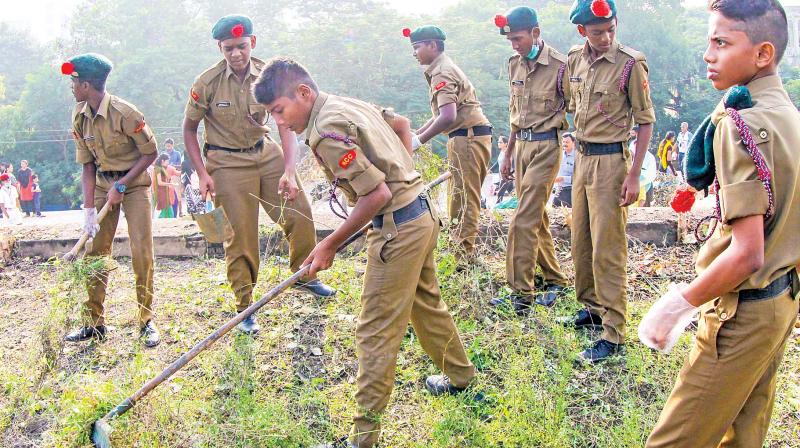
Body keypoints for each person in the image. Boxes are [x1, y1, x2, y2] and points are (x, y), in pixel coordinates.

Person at [254, 57, 478, 448]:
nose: (281, 122)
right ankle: (460, 377)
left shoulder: (326, 130)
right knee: (424, 303)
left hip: (398, 229)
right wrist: (406, 176)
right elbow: (402, 126)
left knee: (374, 333)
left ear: (303, 94)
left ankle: (361, 440)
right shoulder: (343, 104)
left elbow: (377, 194)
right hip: (420, 214)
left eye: (279, 110)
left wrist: (328, 244)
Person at [641, 1, 800, 446]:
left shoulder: (740, 124)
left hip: (741, 311)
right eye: (708, 41)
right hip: (781, 301)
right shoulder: (789, 116)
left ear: (763, 53)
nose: (708, 55)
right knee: (744, 434)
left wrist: (676, 306)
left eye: (722, 42)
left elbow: (748, 253)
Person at [182, 15, 335, 335]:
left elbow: (284, 124)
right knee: (241, 235)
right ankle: (245, 306)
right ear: (219, 48)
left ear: (252, 42)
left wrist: (290, 171)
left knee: (299, 212)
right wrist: (201, 173)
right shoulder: (206, 82)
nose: (236, 53)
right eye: (228, 48)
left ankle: (305, 276)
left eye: (241, 46)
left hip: (265, 153)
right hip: (225, 162)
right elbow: (189, 128)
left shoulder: (267, 77)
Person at [560, 0, 656, 363]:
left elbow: (645, 121)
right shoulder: (575, 58)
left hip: (612, 161)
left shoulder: (630, 63)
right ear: (582, 31)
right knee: (580, 239)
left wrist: (634, 175)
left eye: (611, 29)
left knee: (608, 247)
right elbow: (570, 102)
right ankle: (592, 309)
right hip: (582, 158)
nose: (606, 37)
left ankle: (614, 333)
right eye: (598, 31)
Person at [61, 53, 160, 347]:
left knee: (141, 251)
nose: (72, 85)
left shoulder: (126, 113)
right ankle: (94, 323)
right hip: (104, 183)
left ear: (88, 85)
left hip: (135, 186)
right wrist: (89, 209)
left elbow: (150, 153)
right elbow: (87, 165)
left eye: (74, 80)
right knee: (95, 253)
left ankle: (146, 320)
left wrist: (124, 183)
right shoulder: (80, 116)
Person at [488, 6, 570, 312]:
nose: (515, 45)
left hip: (547, 147)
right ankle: (555, 278)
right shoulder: (514, 64)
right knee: (537, 216)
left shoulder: (562, 66)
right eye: (510, 40)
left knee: (523, 219)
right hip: (520, 147)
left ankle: (521, 293)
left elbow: (578, 109)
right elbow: (515, 113)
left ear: (536, 32)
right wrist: (507, 153)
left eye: (519, 38)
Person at [404, 25, 492, 264]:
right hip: (465, 137)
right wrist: (415, 135)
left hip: (468, 138)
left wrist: (418, 141)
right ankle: (461, 251)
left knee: (464, 198)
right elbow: (441, 114)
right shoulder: (440, 69)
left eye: (417, 47)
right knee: (458, 197)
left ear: (433, 45)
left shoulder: (442, 72)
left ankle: (464, 257)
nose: (414, 53)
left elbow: (448, 117)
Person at [552, 132, 577, 207]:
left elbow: (579, 177)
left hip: (571, 189)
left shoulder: (577, 157)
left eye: (567, 142)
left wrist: (563, 179)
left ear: (573, 143)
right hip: (558, 189)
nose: (564, 144)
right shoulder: (559, 154)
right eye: (563, 142)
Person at [163, 138, 183, 216]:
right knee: (168, 195)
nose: (168, 148)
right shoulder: (163, 154)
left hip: (175, 176)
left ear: (172, 145)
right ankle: (169, 213)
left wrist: (173, 166)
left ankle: (180, 212)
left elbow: (180, 166)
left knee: (178, 195)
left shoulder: (177, 153)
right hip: (166, 177)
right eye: (166, 146)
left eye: (169, 146)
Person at [153, 154, 177, 218]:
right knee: (167, 211)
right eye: (167, 161)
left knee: (168, 211)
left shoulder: (162, 168)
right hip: (161, 192)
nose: (168, 163)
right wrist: (170, 184)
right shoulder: (158, 169)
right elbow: (160, 182)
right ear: (162, 160)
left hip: (164, 191)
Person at [495, 135, 514, 204]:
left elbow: (513, 164)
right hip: (502, 177)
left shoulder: (508, 153)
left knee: (500, 193)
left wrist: (511, 174)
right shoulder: (501, 152)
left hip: (507, 177)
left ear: (506, 144)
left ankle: (496, 208)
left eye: (500, 142)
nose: (498, 143)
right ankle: (521, 204)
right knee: (513, 193)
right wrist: (490, 170)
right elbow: (498, 163)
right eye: (498, 142)